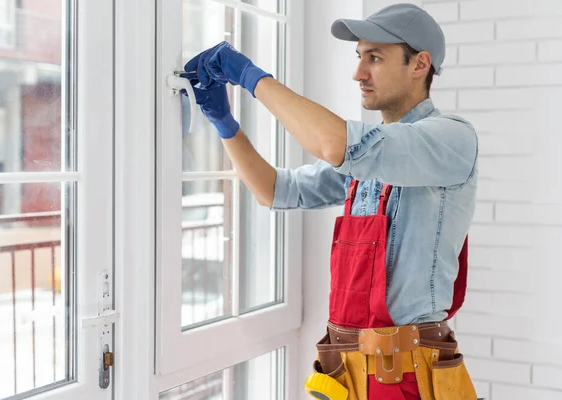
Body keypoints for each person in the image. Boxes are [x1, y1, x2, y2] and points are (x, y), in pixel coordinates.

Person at [183, 3, 480, 399]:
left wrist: (252, 78)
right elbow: (274, 190)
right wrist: (225, 125)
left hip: (407, 375)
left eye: (374, 58)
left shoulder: (450, 139)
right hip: (348, 370)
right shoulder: (369, 160)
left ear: (419, 64)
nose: (358, 73)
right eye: (359, 57)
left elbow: (334, 143)